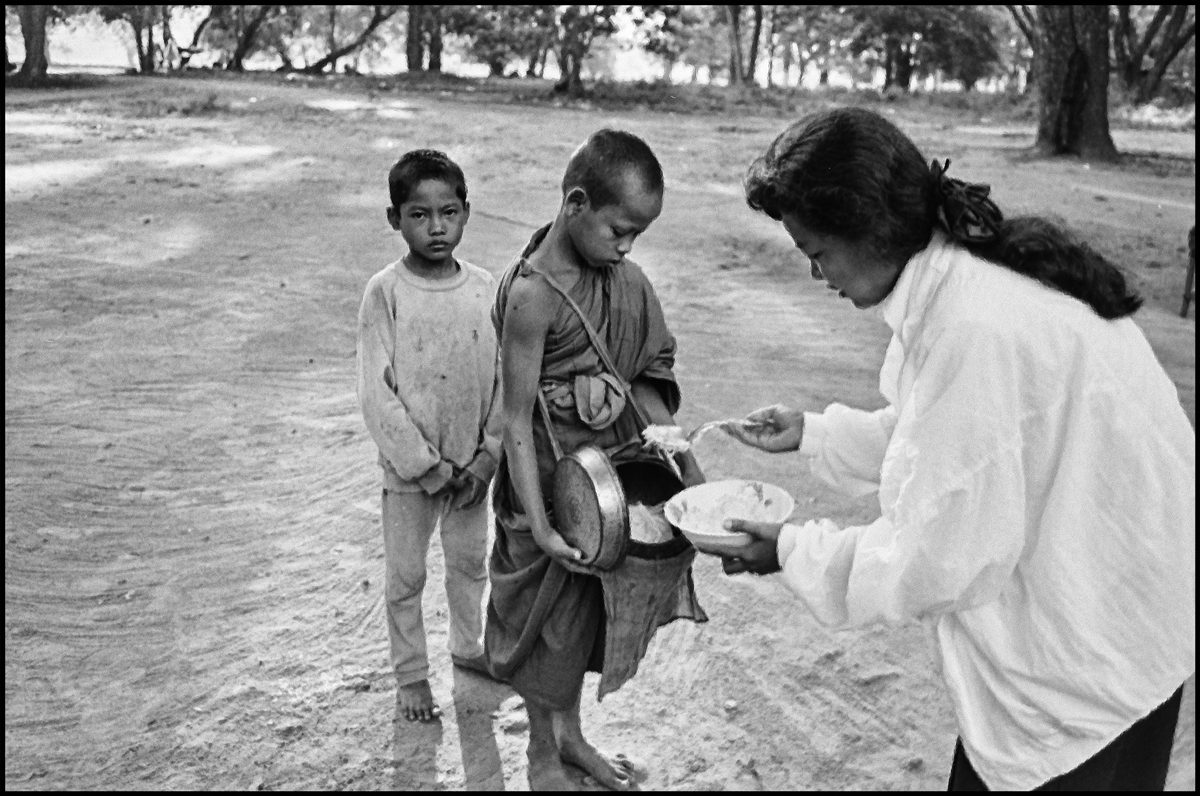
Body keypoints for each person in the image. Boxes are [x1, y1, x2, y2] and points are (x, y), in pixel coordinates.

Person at [719, 107, 1195, 791]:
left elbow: (933, 556)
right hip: (1136, 619)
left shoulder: (973, 328)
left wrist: (790, 550)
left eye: (815, 252)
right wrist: (815, 433)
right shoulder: (968, 277)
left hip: (1085, 655)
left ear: (869, 230)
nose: (815, 275)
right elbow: (949, 442)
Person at [485, 128, 706, 791]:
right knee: (544, 621)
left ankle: (572, 738)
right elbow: (515, 415)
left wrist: (692, 477)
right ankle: (541, 757)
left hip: (606, 480)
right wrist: (542, 522)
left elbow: (644, 380)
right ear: (576, 203)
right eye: (619, 229)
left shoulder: (628, 282)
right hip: (546, 482)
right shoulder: (533, 295)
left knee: (584, 621)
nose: (628, 247)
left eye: (638, 234)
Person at [356, 149, 502, 723]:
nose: (436, 227)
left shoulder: (487, 288)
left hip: (470, 472)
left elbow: (502, 381)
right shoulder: (385, 293)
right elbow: (376, 394)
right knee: (406, 575)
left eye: (448, 212)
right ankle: (411, 674)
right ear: (395, 219)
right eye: (419, 215)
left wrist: (487, 456)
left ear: (467, 212)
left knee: (470, 565)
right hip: (411, 473)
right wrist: (425, 464)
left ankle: (469, 648)